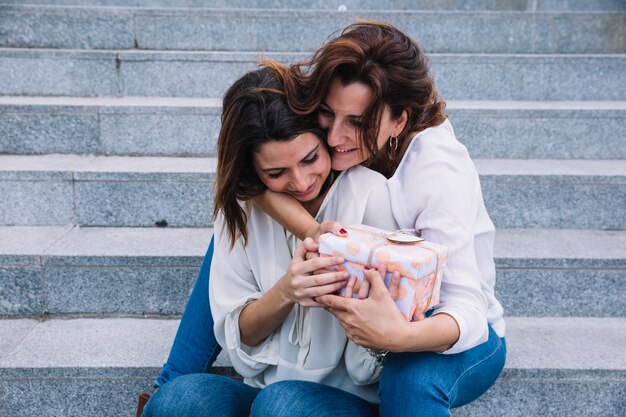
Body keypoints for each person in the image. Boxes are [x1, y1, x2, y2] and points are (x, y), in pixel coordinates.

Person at [256, 20, 506, 416]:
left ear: (400, 121)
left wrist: (400, 335)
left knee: (410, 378)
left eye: (357, 122)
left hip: (451, 333)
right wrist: (310, 229)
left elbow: (467, 313)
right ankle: (168, 386)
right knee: (236, 227)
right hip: (360, 343)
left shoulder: (438, 171)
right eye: (327, 113)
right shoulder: (333, 139)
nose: (335, 137)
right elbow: (246, 179)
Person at [142, 67, 398, 417]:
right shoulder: (245, 210)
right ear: (252, 171)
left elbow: (372, 363)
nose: (302, 181)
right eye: (276, 173)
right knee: (176, 401)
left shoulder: (371, 195)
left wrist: (346, 294)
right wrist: (286, 292)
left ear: (325, 137)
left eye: (310, 158)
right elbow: (240, 337)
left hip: (346, 401)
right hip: (263, 395)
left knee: (283, 406)